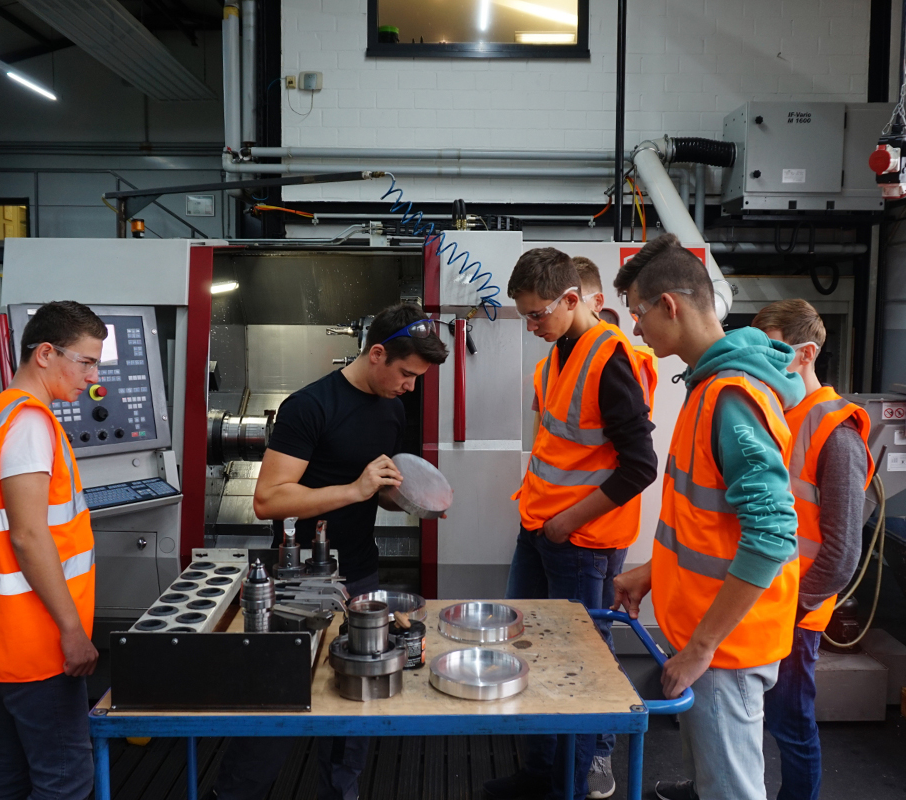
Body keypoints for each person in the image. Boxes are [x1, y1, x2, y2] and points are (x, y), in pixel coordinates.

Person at [214, 301, 448, 800]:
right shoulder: (310, 406)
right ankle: (233, 793)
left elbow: (376, 488)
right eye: (406, 374)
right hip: (298, 582)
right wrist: (356, 488)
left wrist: (408, 497)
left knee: (355, 701)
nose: (410, 386)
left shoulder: (392, 407)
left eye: (417, 379)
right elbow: (267, 500)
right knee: (276, 701)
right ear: (378, 354)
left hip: (360, 574)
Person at [609, 234, 804, 800]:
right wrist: (651, 571)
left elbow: (771, 536)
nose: (637, 330)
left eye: (639, 314)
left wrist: (700, 650)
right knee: (713, 778)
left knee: (733, 791)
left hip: (724, 646)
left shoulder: (731, 397)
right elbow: (705, 522)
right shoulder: (707, 386)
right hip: (704, 629)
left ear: (669, 304)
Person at [485, 247, 657, 800]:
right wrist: (542, 522)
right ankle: (540, 774)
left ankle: (571, 785)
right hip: (539, 532)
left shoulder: (611, 361)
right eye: (525, 315)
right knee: (526, 649)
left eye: (538, 314)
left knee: (578, 673)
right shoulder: (561, 351)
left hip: (580, 542)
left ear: (572, 299)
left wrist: (565, 523)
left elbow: (639, 468)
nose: (531, 326)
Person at [0, 300, 105, 800]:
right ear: (45, 353)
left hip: (5, 636)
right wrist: (72, 632)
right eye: (85, 361)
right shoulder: (29, 423)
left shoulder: (0, 412)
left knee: (16, 772)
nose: (92, 376)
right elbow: (28, 534)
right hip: (38, 642)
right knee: (65, 778)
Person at [751, 299, 874, 800]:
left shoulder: (836, 432)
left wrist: (796, 605)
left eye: (771, 348)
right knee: (749, 716)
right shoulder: (781, 412)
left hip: (793, 613)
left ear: (804, 353)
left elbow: (843, 552)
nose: (760, 360)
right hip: (762, 602)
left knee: (790, 722)